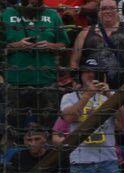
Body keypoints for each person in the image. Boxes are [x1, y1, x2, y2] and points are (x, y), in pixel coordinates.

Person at [4, 0, 73, 130]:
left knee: (48, 128)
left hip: (46, 81)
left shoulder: (52, 15)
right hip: (16, 81)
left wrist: (50, 45)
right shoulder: (7, 14)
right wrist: (16, 45)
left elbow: (64, 45)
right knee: (13, 129)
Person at [60, 60, 124, 173]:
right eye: (87, 72)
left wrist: (110, 95)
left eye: (95, 72)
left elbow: (123, 123)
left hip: (108, 160)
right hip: (81, 161)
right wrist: (87, 95)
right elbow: (69, 118)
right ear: (80, 76)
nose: (91, 75)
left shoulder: (110, 96)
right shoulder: (69, 97)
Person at [73, 0, 124, 85]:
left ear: (118, 11)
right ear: (98, 12)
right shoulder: (85, 33)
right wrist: (76, 80)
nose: (108, 11)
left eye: (112, 8)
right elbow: (74, 61)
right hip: (93, 89)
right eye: (104, 9)